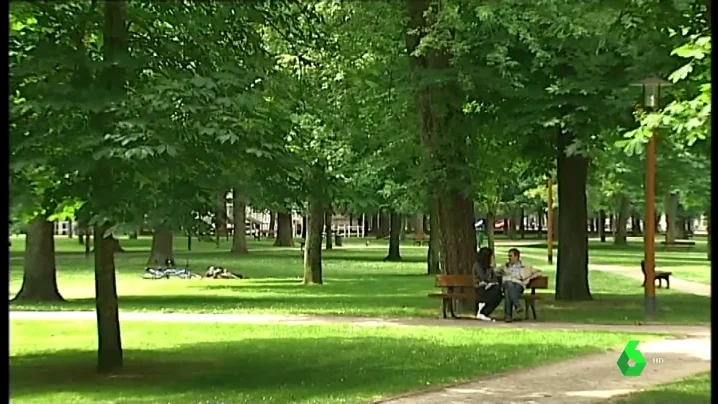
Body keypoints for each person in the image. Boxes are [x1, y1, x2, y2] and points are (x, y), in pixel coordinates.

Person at [496, 248, 542, 322]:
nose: (509, 258)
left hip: (518, 285)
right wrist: (502, 269)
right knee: (508, 284)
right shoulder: (506, 265)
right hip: (507, 283)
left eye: (510, 256)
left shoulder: (525, 266)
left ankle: (508, 316)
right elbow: (496, 271)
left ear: (516, 256)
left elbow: (539, 272)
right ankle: (517, 305)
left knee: (508, 292)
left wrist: (529, 277)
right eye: (508, 256)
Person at [472, 247, 502, 321]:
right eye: (491, 256)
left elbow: (494, 279)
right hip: (480, 288)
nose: (492, 258)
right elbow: (483, 277)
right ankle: (482, 311)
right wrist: (490, 271)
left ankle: (483, 312)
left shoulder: (489, 266)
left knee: (498, 294)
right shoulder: (477, 265)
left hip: (489, 287)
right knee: (496, 293)